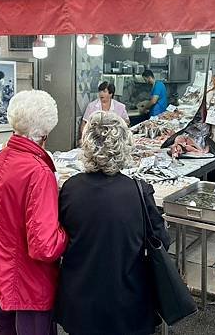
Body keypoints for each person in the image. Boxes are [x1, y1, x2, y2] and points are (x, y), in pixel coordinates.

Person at [56, 111, 169, 335]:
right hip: (127, 302)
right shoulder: (139, 191)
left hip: (80, 300)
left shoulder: (70, 188)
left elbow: (60, 235)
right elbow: (162, 241)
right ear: (124, 146)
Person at [0, 90, 68, 335]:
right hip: (31, 278)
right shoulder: (39, 171)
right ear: (45, 132)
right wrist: (67, 234)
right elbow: (45, 246)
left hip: (3, 267)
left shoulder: (0, 159)